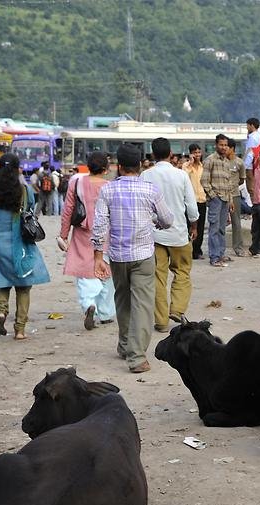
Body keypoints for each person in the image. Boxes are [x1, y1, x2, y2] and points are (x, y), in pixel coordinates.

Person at [93, 144, 174, 373]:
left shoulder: (108, 190)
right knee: (143, 305)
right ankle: (136, 357)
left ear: (119, 167)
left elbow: (99, 225)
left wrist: (98, 256)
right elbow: (167, 220)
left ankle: (125, 345)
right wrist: (155, 221)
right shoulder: (150, 190)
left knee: (123, 300)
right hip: (143, 255)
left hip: (117, 256)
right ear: (140, 165)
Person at [0, 153, 50, 340]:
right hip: (20, 243)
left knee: (3, 280)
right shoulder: (24, 190)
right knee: (24, 285)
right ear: (17, 169)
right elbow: (30, 211)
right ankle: (20, 330)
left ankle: (2, 312)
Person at [140, 137, 199, 332]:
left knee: (158, 277)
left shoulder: (145, 176)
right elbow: (191, 206)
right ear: (171, 155)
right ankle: (178, 308)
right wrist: (194, 225)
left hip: (154, 235)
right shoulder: (181, 175)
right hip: (179, 233)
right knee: (182, 272)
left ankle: (161, 321)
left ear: (152, 154)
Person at [58, 151, 115, 331]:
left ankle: (89, 303)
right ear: (105, 169)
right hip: (105, 233)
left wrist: (63, 234)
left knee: (84, 273)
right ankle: (105, 313)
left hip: (82, 232)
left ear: (88, 166)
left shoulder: (76, 182)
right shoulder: (109, 186)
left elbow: (68, 209)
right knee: (105, 272)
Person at [200, 134, 235, 268]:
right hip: (216, 199)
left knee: (222, 229)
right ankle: (214, 257)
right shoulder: (210, 160)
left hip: (226, 199)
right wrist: (213, 196)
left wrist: (231, 200)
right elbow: (204, 180)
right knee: (214, 228)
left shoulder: (226, 162)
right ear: (216, 145)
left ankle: (221, 254)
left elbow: (229, 183)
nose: (224, 147)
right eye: (221, 145)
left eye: (226, 145)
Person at [183, 143, 206, 260]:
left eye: (199, 152)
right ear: (190, 154)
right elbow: (183, 178)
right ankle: (187, 249)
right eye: (195, 153)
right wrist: (190, 165)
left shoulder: (203, 167)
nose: (197, 155)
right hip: (190, 201)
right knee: (189, 226)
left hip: (202, 200)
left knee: (200, 227)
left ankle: (197, 251)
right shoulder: (185, 166)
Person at [226, 137, 247, 257]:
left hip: (235, 195)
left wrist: (232, 187)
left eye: (226, 147)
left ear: (232, 148)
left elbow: (242, 180)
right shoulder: (221, 162)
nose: (224, 149)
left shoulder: (239, 162)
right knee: (220, 223)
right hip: (222, 196)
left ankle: (238, 248)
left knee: (236, 222)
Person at [244, 117, 260, 204]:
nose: (247, 127)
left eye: (247, 125)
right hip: (258, 163)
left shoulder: (252, 137)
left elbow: (250, 153)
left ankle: (253, 204)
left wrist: (244, 166)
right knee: (257, 184)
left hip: (250, 165)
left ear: (252, 125)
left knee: (250, 187)